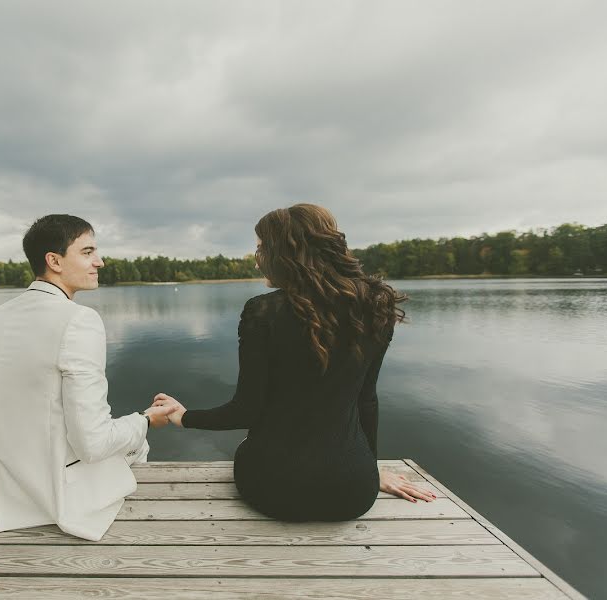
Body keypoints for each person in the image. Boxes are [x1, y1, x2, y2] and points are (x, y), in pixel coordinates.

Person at [152, 204, 435, 521]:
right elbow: (366, 399)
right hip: (352, 493)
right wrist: (369, 467)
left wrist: (184, 417)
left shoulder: (263, 312)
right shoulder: (374, 307)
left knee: (254, 443)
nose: (257, 260)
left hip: (273, 489)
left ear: (284, 253)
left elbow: (247, 409)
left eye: (261, 248)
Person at [0, 214, 176, 541]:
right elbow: (92, 443)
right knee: (137, 442)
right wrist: (146, 420)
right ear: (54, 261)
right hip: (51, 492)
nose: (100, 261)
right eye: (87, 252)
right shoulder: (79, 320)